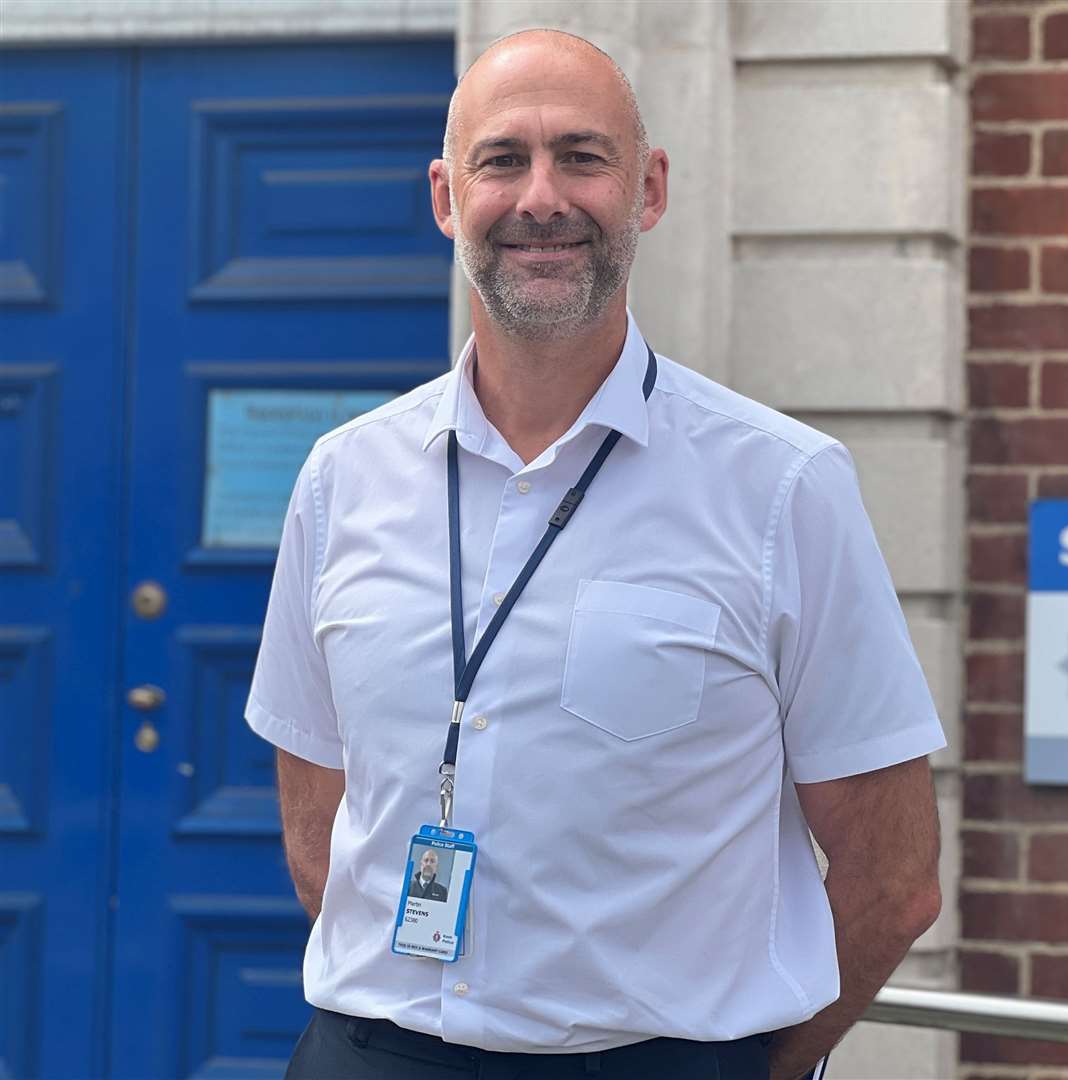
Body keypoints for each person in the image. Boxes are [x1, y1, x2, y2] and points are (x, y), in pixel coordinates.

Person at [248, 26, 944, 1080]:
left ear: (648, 188)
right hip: (368, 1054)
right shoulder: (341, 479)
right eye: (501, 160)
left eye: (582, 156)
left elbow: (893, 876)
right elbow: (319, 831)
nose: (541, 199)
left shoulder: (783, 488)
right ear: (445, 196)